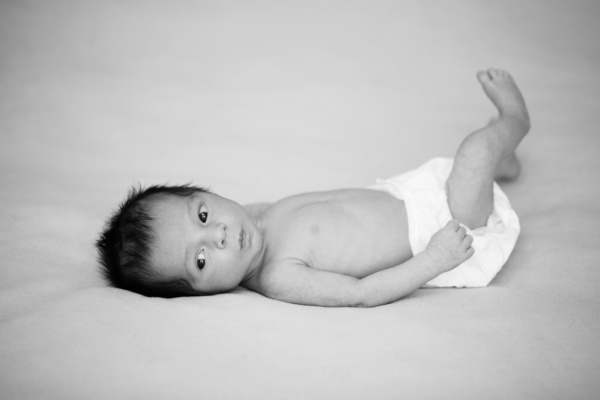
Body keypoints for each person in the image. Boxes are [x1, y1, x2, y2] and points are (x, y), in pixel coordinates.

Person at [96, 68, 530, 307]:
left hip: (407, 192)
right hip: (444, 228)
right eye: (203, 258)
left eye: (203, 215)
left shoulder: (254, 216)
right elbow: (361, 294)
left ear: (205, 194)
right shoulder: (280, 275)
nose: (219, 235)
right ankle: (513, 120)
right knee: (474, 154)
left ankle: (501, 161)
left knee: (477, 163)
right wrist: (436, 258)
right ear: (200, 293)